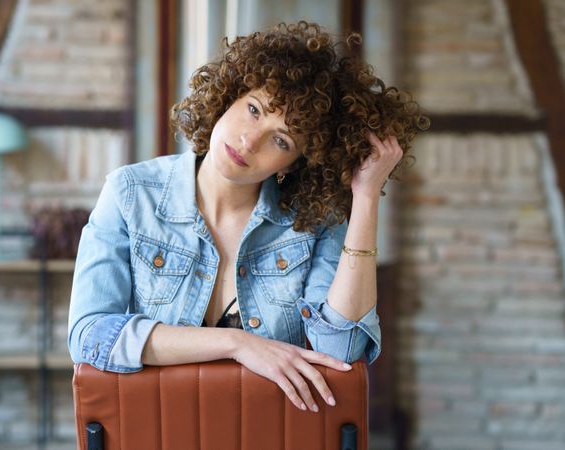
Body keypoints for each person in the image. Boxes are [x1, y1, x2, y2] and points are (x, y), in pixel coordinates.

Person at [68, 21, 427, 413]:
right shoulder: (128, 194)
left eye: (281, 140)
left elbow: (341, 349)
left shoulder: (311, 223)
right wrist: (239, 344)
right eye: (254, 110)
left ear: (292, 164)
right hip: (156, 430)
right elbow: (90, 336)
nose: (249, 141)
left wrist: (366, 196)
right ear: (230, 96)